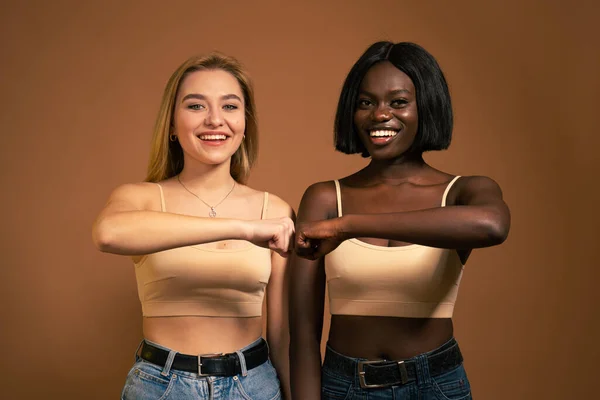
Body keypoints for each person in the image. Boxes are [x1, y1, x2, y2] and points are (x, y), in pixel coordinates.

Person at [289, 42, 511, 399]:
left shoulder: (463, 191)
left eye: (398, 102)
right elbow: (302, 334)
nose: (379, 114)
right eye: (366, 102)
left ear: (426, 106)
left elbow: (492, 226)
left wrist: (348, 227)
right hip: (345, 386)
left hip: (436, 385)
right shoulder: (325, 198)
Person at [92, 52, 294, 400]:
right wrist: (242, 228)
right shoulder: (139, 198)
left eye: (230, 107)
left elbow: (281, 335)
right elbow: (108, 234)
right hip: (161, 387)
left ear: (245, 124)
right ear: (171, 125)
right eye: (196, 106)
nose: (215, 120)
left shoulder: (273, 209)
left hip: (254, 386)